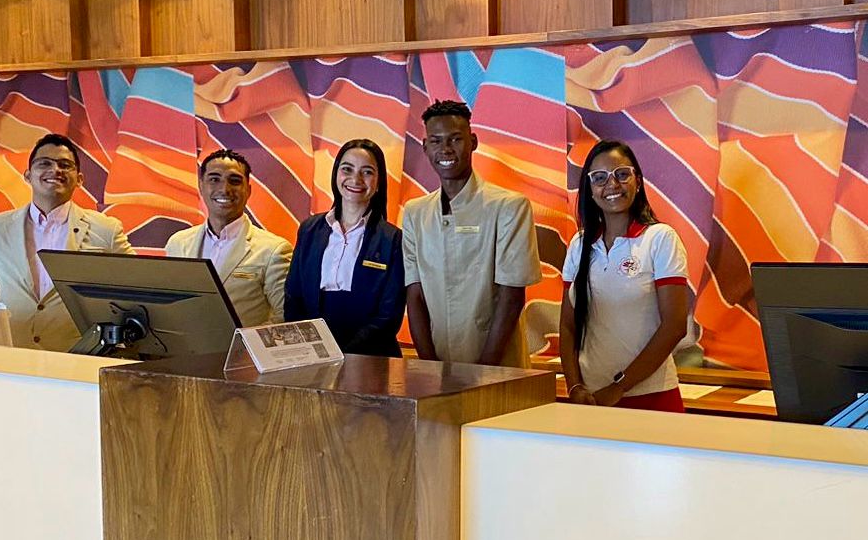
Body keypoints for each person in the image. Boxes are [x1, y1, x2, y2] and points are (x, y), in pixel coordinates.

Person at [402, 100, 542, 366]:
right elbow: (415, 294)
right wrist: (429, 364)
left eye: (455, 139)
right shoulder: (415, 212)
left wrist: (482, 371)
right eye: (436, 141)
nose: (445, 149)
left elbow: (511, 296)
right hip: (439, 366)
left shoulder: (509, 206)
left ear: (473, 141)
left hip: (498, 366)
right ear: (425, 147)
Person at [0, 133, 136, 351]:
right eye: (44, 163)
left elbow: (135, 296)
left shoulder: (107, 230)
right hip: (10, 362)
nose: (55, 170)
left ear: (80, 179)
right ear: (28, 175)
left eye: (65, 165)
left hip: (80, 360)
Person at [559, 139, 689, 412]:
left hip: (653, 398)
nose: (612, 185)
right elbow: (569, 326)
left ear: (638, 182)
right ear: (590, 189)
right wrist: (574, 386)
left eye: (622, 174)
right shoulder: (579, 245)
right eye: (600, 178)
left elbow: (675, 326)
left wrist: (619, 387)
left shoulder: (660, 239)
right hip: (591, 400)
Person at [284, 139, 405, 357]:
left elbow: (388, 316)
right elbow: (294, 298)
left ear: (378, 183)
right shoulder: (309, 229)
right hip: (314, 356)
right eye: (347, 169)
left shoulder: (393, 239)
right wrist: (311, 350)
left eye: (367, 172)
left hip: (370, 358)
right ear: (335, 174)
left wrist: (345, 356)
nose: (355, 179)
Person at [165, 149, 291, 327]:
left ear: (248, 190)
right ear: (201, 186)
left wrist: (244, 348)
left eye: (235, 181)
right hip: (185, 352)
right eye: (214, 179)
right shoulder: (177, 243)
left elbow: (283, 317)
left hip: (243, 353)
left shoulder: (274, 250)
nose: (224, 189)